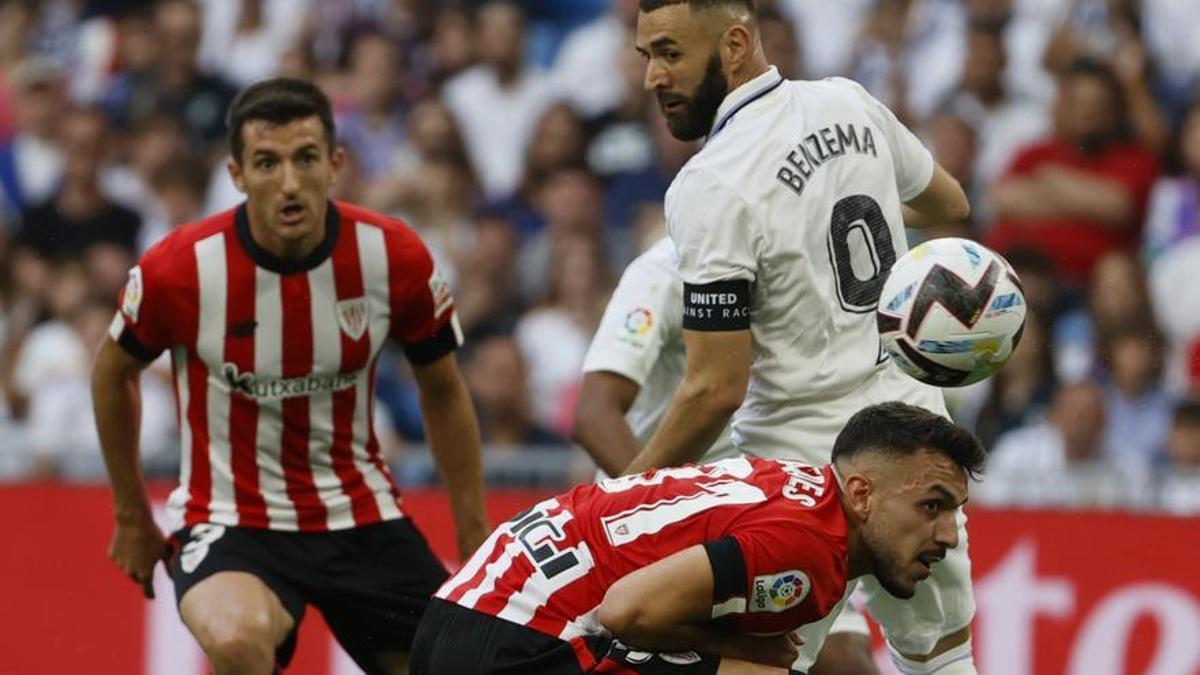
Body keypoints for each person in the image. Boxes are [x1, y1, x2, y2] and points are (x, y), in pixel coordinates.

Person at [91, 78, 489, 675]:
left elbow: (444, 390)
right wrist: (131, 515)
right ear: (236, 175)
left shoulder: (392, 256)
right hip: (231, 520)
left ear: (335, 164)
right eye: (266, 163)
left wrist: (474, 535)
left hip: (362, 518)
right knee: (236, 639)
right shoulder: (182, 270)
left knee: (457, 663)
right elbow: (110, 375)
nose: (288, 182)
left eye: (305, 159)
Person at [627, 1, 974, 673]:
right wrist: (820, 213)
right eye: (647, 56)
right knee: (941, 658)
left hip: (802, 484)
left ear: (733, 45)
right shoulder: (849, 102)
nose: (653, 78)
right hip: (918, 447)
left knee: (755, 663)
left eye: (670, 53)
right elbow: (949, 204)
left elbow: (713, 388)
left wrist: (622, 493)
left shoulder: (710, 183)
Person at [411, 402, 985, 674]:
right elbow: (626, 609)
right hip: (518, 638)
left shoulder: (800, 492)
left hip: (466, 612)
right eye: (931, 507)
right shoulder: (808, 549)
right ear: (861, 494)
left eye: (954, 512)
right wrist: (750, 649)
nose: (947, 535)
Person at [574, 236, 736, 478]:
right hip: (669, 498)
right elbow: (595, 413)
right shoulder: (660, 273)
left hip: (761, 492)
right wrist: (662, 504)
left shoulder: (790, 256)